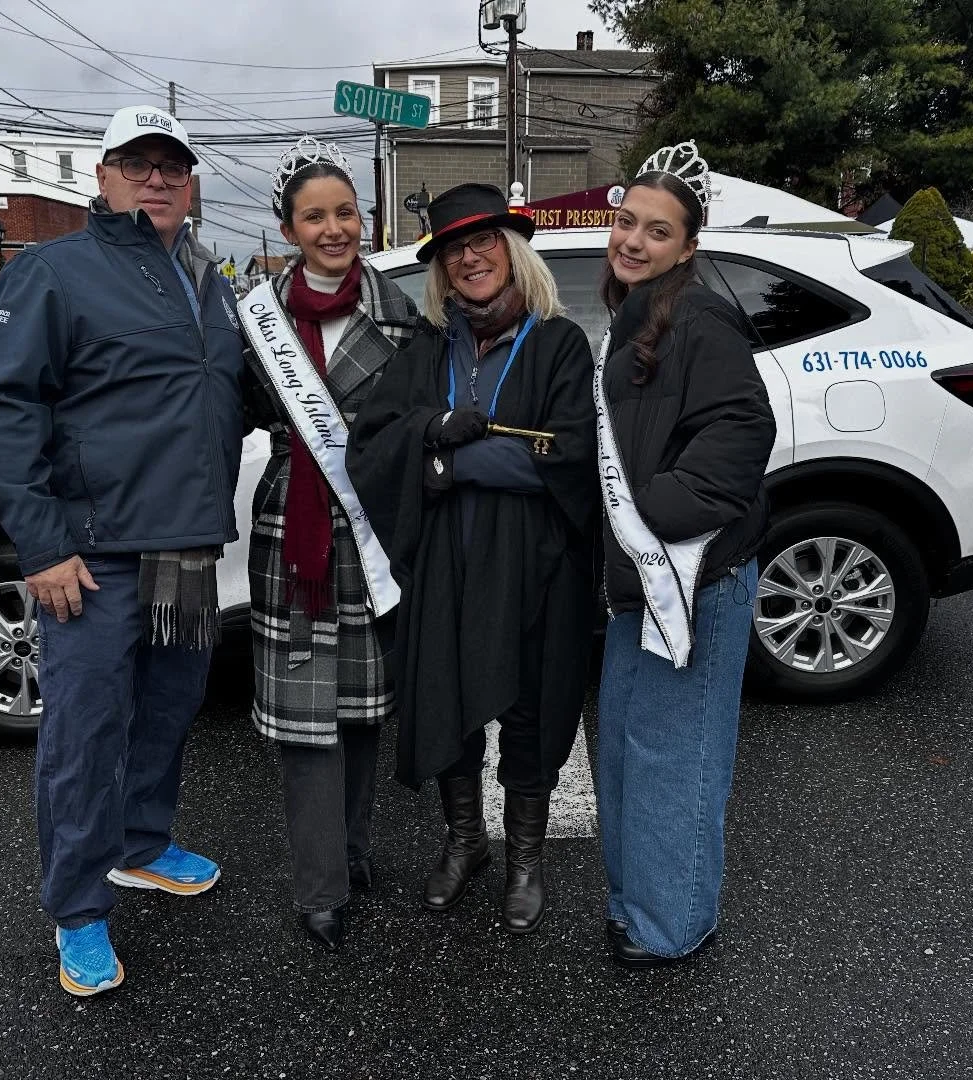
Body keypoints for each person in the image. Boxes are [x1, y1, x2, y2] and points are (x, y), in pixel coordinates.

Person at [0, 105, 244, 997]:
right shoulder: (55, 271)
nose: (156, 178)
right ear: (103, 175)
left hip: (186, 548)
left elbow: (225, 396)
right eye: (137, 162)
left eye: (173, 165)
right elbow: (5, 412)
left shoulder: (208, 281)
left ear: (191, 182)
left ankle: (140, 845)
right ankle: (78, 908)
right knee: (85, 736)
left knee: (167, 711)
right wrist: (42, 545)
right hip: (93, 556)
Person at [348, 183, 598, 935]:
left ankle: (525, 859)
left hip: (535, 563)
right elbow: (375, 441)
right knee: (446, 701)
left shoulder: (557, 343)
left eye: (484, 241)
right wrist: (431, 428)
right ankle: (466, 842)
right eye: (455, 249)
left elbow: (562, 455)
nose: (470, 257)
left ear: (512, 250)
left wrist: (449, 463)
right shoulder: (428, 347)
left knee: (530, 709)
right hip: (446, 562)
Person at [593, 142, 776, 968]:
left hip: (693, 579)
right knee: (629, 752)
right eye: (627, 222)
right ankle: (637, 904)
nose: (633, 240)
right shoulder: (637, 313)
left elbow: (741, 434)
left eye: (657, 231)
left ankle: (674, 924)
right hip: (645, 580)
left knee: (677, 758)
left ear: (688, 246)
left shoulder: (699, 319)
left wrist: (649, 510)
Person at [235, 137, 420, 952]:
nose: (334, 228)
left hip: (373, 526)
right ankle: (320, 886)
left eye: (346, 212)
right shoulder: (256, 319)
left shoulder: (400, 313)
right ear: (289, 229)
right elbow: (230, 412)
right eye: (315, 217)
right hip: (293, 531)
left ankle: (352, 849)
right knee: (306, 713)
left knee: (362, 706)